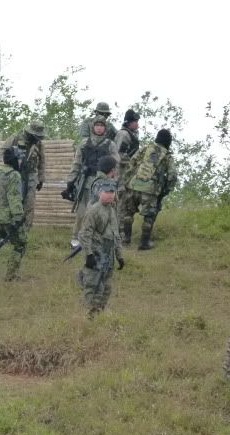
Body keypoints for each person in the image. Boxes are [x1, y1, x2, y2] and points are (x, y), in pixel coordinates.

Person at [65, 116, 119, 248]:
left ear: (105, 128)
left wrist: (114, 181)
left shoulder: (110, 145)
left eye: (102, 125)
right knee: (82, 211)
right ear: (92, 127)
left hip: (103, 182)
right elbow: (76, 163)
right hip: (86, 181)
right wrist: (70, 181)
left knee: (103, 211)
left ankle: (99, 238)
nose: (99, 128)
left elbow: (116, 164)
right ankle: (76, 237)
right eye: (97, 125)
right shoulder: (84, 143)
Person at [122, 129, 177, 249]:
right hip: (150, 190)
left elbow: (132, 163)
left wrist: (127, 182)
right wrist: (165, 191)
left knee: (128, 212)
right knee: (149, 216)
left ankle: (126, 240)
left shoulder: (145, 148)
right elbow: (172, 176)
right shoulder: (167, 156)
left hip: (133, 185)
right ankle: (144, 243)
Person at [78, 179, 124, 319]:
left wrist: (119, 255)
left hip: (108, 255)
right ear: (99, 193)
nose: (110, 195)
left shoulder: (112, 211)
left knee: (107, 287)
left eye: (112, 192)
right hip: (97, 253)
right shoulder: (93, 210)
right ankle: (89, 314)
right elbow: (85, 234)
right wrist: (89, 254)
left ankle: (99, 312)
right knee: (93, 286)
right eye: (106, 192)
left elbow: (116, 235)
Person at [0, 147, 28, 287]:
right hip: (8, 217)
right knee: (21, 243)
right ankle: (10, 276)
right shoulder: (14, 175)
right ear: (14, 159)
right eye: (19, 159)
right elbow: (14, 197)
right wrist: (18, 217)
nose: (20, 162)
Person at [2, 120, 47, 229]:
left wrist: (41, 179)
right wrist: (11, 164)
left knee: (29, 203)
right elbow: (3, 151)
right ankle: (10, 229)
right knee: (14, 201)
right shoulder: (16, 138)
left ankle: (25, 230)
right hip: (15, 174)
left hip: (31, 176)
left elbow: (42, 161)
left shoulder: (38, 143)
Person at [114, 109, 141, 233]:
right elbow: (118, 155)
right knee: (121, 202)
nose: (137, 124)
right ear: (129, 122)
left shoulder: (132, 134)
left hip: (128, 174)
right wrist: (133, 161)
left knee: (126, 203)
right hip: (121, 174)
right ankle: (118, 230)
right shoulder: (124, 134)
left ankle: (122, 230)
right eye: (135, 121)